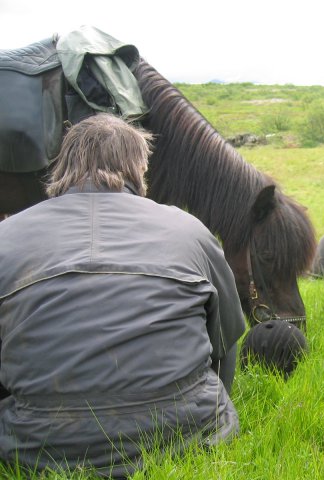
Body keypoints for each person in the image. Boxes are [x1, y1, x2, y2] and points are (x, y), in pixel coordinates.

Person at [0, 114, 246, 477]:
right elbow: (224, 340)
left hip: (39, 450)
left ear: (63, 165)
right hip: (189, 435)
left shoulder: (7, 235)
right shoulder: (189, 230)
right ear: (138, 168)